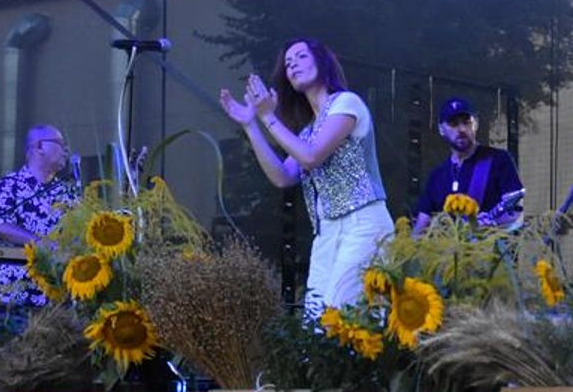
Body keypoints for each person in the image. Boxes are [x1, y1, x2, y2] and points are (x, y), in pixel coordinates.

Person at [220, 38, 394, 313]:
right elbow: (282, 176)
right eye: (288, 63)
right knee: (315, 323)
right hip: (326, 233)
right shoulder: (308, 132)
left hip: (363, 224)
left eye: (301, 57)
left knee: (341, 317)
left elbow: (311, 156)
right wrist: (251, 125)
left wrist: (268, 117)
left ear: (322, 62)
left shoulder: (347, 103)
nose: (292, 65)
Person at [0, 124, 81, 305]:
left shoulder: (67, 192)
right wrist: (41, 243)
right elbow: (0, 226)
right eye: (60, 144)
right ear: (39, 147)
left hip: (58, 301)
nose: (66, 150)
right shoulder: (9, 185)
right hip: (16, 298)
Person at [412, 97, 523, 234]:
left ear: (475, 124)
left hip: (491, 245)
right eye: (453, 124)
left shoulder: (498, 159)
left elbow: (517, 212)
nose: (462, 129)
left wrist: (494, 224)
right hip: (447, 247)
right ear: (441, 129)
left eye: (466, 122)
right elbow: (422, 224)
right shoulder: (437, 176)